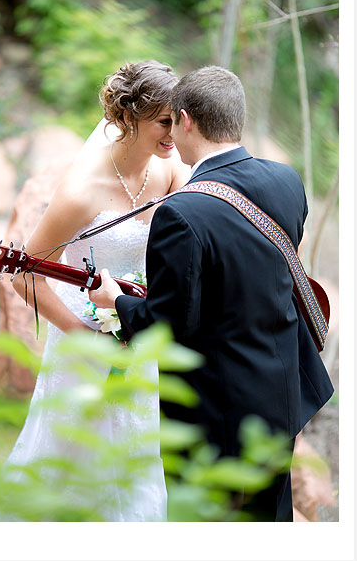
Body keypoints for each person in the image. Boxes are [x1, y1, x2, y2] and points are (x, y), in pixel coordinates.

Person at [89, 65, 334, 521]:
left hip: (216, 413)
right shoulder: (287, 181)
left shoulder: (181, 213)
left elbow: (168, 325)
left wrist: (115, 302)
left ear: (185, 119)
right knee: (270, 522)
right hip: (280, 395)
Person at [5, 60, 189, 521]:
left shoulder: (167, 172)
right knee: (69, 458)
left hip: (138, 332)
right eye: (163, 122)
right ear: (128, 118)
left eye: (177, 119)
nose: (174, 133)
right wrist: (83, 334)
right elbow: (24, 272)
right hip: (82, 337)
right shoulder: (81, 191)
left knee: (135, 455)